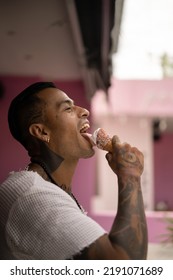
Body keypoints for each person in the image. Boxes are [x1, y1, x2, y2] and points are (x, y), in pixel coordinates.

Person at [0, 82, 148, 260]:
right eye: (68, 108)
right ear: (41, 131)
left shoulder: (50, 191)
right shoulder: (32, 196)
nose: (84, 111)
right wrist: (130, 175)